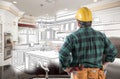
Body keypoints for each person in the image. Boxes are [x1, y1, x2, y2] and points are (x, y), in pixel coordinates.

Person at [59, 7, 117, 79]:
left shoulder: (72, 37)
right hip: (97, 74)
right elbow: (113, 51)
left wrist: (66, 68)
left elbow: (63, 53)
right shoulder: (101, 36)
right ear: (91, 22)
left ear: (78, 22)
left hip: (79, 74)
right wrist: (105, 64)